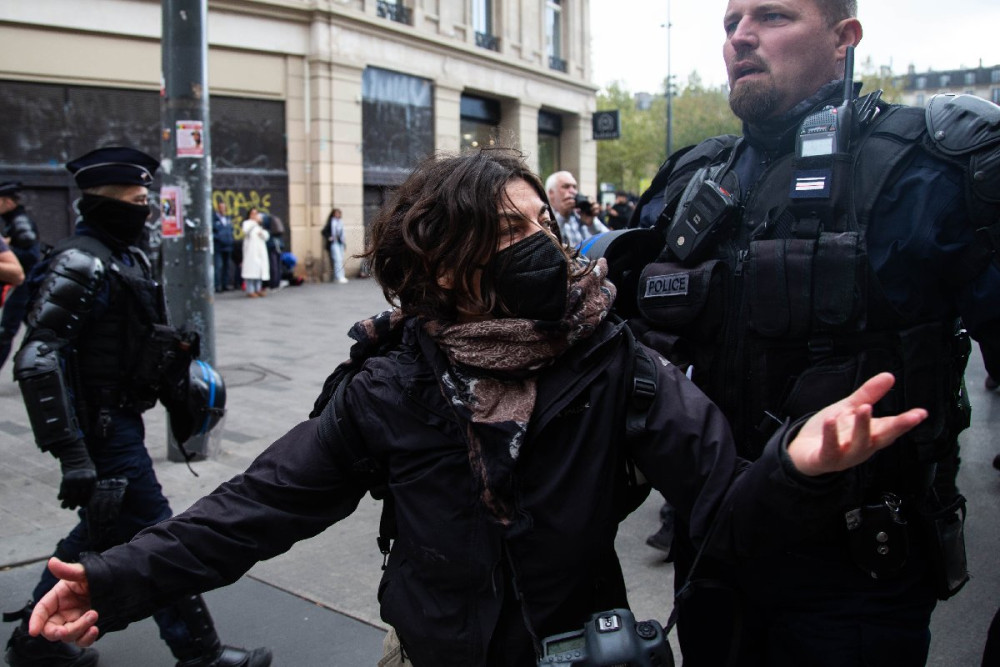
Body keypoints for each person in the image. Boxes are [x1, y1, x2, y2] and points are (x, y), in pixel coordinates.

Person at [23, 149, 927, 667]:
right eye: (506, 231)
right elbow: (257, 506)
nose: (538, 243)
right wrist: (112, 579)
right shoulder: (390, 381)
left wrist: (797, 470)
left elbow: (726, 505)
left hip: (579, 651)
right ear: (442, 258)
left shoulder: (616, 359)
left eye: (541, 223)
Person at [626, 1, 1000, 664]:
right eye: (730, 22)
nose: (741, 36)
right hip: (714, 552)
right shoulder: (692, 179)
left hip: (858, 577)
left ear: (843, 37)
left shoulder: (937, 167)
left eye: (772, 16)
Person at [4, 146, 270, 667]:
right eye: (137, 200)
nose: (145, 209)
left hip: (120, 420)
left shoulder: (127, 257)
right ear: (105, 202)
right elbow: (37, 359)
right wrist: (73, 452)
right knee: (155, 536)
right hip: (101, 432)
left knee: (101, 534)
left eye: (147, 199)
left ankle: (36, 647)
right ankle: (202, 655)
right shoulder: (79, 262)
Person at [0, 181, 42, 369]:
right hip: (25, 282)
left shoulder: (19, 221)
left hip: (23, 284)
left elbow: (31, 255)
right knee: (37, 327)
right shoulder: (12, 220)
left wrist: (8, 249)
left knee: (7, 330)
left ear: (9, 202)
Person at [544, 170, 585, 248]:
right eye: (566, 187)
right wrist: (562, 216)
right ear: (551, 193)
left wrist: (591, 222)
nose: (573, 191)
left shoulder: (577, 216)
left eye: (574, 187)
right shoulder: (542, 217)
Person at [240, 208, 269, 298]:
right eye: (253, 214)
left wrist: (262, 232)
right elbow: (246, 231)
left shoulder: (259, 225)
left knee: (259, 271)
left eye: (256, 214)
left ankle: (258, 289)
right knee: (251, 272)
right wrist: (255, 222)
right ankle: (250, 290)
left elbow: (266, 236)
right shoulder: (247, 223)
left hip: (259, 251)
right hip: (251, 251)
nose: (255, 215)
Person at [212, 201, 235, 293]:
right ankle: (217, 285)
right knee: (218, 266)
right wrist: (219, 237)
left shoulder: (228, 218)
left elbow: (231, 230)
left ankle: (225, 284)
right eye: (221, 207)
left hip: (228, 245)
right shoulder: (214, 219)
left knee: (226, 266)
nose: (222, 209)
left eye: (224, 207)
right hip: (218, 246)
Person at [321, 207, 347, 283]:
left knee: (341, 259)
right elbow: (323, 231)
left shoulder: (340, 222)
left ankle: (341, 276)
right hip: (334, 242)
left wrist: (344, 243)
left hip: (340, 242)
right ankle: (338, 277)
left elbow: (342, 233)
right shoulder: (331, 222)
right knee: (337, 259)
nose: (337, 215)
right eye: (336, 213)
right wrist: (329, 237)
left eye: (339, 213)